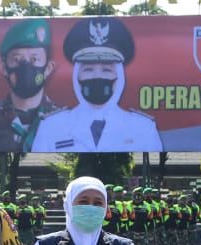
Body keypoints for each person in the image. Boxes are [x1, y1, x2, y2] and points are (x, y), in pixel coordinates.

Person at [31, 18, 162, 152]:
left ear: (119, 77)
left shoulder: (143, 128)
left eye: (106, 70)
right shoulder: (51, 126)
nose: (97, 76)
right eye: (88, 69)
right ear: (77, 76)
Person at [0, 18, 61, 153]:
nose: (26, 66)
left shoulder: (65, 121)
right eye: (17, 59)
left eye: (35, 59)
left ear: (48, 68)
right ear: (4, 68)